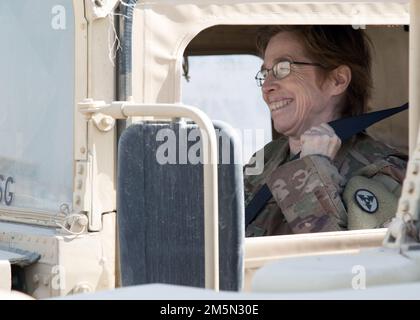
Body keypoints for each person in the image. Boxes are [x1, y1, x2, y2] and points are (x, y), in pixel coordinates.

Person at [245, 25, 407, 237]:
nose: (267, 87)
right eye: (265, 73)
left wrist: (312, 166)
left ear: (337, 80)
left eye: (282, 68)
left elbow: (351, 264)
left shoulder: (383, 170)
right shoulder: (266, 159)